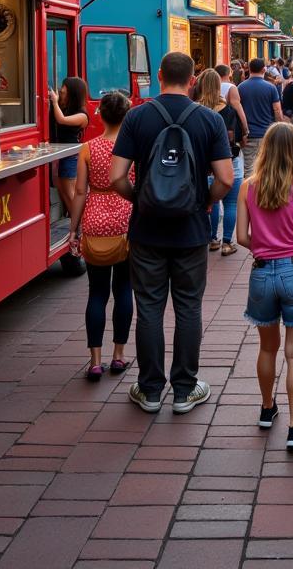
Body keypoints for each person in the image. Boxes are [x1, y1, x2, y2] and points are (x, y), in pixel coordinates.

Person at [111, 52, 234, 414]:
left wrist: (141, 200)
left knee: (148, 307)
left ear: (160, 75)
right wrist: (203, 202)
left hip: (146, 230)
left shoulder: (136, 116)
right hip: (191, 231)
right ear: (193, 80)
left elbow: (117, 176)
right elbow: (225, 179)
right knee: (188, 307)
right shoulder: (209, 119)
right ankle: (184, 389)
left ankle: (149, 390)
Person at [237, 122, 293, 451]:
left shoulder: (248, 187)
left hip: (261, 274)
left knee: (266, 348)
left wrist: (265, 249)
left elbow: (242, 237)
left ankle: (266, 408)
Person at [67, 90, 134, 381]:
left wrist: (73, 229)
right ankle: (118, 355)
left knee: (96, 292)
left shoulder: (88, 148)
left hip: (94, 220)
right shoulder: (133, 148)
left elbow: (80, 191)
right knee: (123, 291)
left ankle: (95, 360)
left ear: (101, 115)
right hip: (125, 221)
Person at [198, 69, 244, 255]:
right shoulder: (229, 111)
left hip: (204, 166)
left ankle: (212, 239)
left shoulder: (195, 110)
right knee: (231, 203)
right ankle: (227, 242)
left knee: (213, 202)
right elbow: (237, 138)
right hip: (228, 162)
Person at [49, 76, 90, 215]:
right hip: (64, 154)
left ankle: (81, 226)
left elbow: (61, 120)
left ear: (73, 93)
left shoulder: (82, 115)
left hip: (71, 155)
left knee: (69, 191)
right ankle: (75, 223)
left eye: (64, 92)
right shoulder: (66, 108)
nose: (61, 93)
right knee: (63, 189)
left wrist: (54, 102)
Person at [239, 57, 284, 176]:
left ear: (249, 69)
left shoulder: (240, 87)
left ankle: (250, 194)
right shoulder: (270, 88)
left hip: (248, 135)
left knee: (249, 169)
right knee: (268, 168)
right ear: (264, 70)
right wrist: (280, 127)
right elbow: (277, 110)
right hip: (267, 134)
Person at [217, 63, 250, 140]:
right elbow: (238, 107)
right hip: (227, 126)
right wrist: (246, 129)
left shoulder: (210, 86)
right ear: (228, 73)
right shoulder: (231, 87)